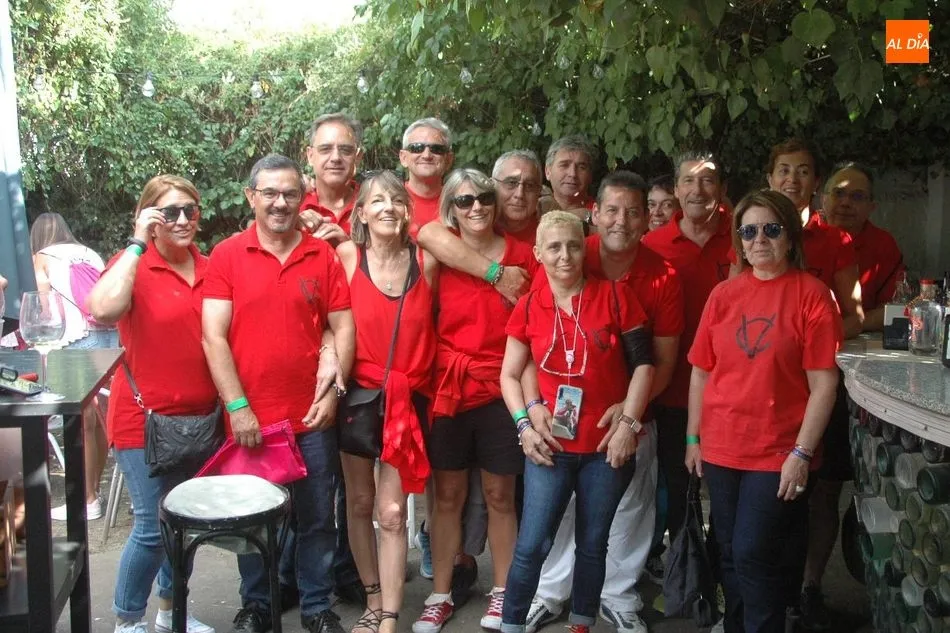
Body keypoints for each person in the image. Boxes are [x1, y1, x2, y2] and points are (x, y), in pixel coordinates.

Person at [525, 172, 683, 633]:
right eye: (612, 210)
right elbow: (533, 342)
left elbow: (662, 362)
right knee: (559, 508)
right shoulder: (570, 250)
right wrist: (532, 409)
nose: (621, 221)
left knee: (631, 506)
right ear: (594, 213)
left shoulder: (663, 275)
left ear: (646, 218)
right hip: (563, 412)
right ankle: (551, 591)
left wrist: (628, 415)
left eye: (633, 212)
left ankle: (618, 595)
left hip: (633, 414)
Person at [202, 154, 354, 633]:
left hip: (311, 417)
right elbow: (213, 336)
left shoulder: (321, 255)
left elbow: (342, 327)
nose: (280, 203)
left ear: (302, 197)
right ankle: (258, 605)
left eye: (290, 193)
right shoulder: (227, 255)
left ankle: (316, 606)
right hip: (252, 418)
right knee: (253, 521)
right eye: (269, 193)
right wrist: (238, 406)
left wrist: (333, 394)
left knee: (317, 518)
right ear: (252, 197)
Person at [685, 190, 842, 633]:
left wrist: (802, 453)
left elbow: (824, 384)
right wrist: (693, 438)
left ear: (790, 237)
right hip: (721, 447)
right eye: (749, 231)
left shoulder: (813, 296)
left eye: (771, 229)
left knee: (754, 552)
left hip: (779, 450)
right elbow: (701, 373)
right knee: (729, 551)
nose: (759, 240)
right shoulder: (723, 294)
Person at [499, 211, 656, 633]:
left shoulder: (615, 296)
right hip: (549, 445)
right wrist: (524, 425)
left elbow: (645, 365)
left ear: (585, 248)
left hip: (605, 445)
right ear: (538, 253)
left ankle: (581, 623)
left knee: (592, 543)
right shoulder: (530, 305)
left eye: (573, 245)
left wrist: (628, 424)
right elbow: (509, 374)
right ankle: (511, 624)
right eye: (553, 247)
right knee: (532, 545)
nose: (565, 255)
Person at [86, 175, 218, 633]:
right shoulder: (132, 264)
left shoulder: (210, 267)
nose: (181, 220)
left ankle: (171, 611)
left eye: (189, 210)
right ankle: (127, 619)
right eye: (169, 212)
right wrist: (137, 242)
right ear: (148, 217)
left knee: (183, 523)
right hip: (143, 421)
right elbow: (102, 310)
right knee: (151, 525)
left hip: (201, 421)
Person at [411, 169, 537, 633]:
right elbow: (424, 239)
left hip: (501, 386)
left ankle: (504, 592)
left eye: (484, 197)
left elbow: (535, 327)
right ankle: (440, 593)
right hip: (449, 387)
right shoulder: (440, 252)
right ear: (452, 208)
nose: (476, 206)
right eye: (464, 201)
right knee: (447, 496)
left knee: (501, 495)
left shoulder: (522, 255)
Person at [763, 140, 864, 629]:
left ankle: (809, 587)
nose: (792, 179)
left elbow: (856, 315)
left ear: (815, 183)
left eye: (803, 171)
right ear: (770, 177)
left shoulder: (836, 241)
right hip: (766, 387)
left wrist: (812, 333)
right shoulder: (753, 229)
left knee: (821, 491)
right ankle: (764, 592)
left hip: (821, 383)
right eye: (784, 170)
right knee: (765, 489)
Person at [335, 170, 438, 633]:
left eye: (396, 200)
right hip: (358, 396)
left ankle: (390, 618)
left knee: (392, 513)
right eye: (377, 201)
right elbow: (329, 320)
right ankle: (373, 600)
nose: (388, 208)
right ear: (361, 213)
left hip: (407, 400)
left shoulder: (426, 260)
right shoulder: (346, 257)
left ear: (407, 210)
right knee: (359, 502)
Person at [641, 151, 734, 587]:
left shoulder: (744, 237)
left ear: (722, 189)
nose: (698, 190)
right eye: (689, 181)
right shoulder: (652, 246)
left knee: (728, 494)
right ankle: (685, 578)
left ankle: (725, 576)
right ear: (676, 190)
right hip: (674, 389)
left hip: (734, 393)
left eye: (708, 180)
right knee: (678, 488)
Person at [30, 212, 118, 521]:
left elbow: (46, 310)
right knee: (103, 417)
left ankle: (86, 500)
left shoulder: (42, 256)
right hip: (108, 336)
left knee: (81, 420)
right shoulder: (88, 253)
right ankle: (93, 493)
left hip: (75, 340)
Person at [417, 149, 542, 306]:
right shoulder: (457, 233)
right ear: (493, 184)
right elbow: (427, 234)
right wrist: (496, 274)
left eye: (530, 185)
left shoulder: (545, 232)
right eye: (511, 183)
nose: (519, 194)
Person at [820, 162, 905, 332]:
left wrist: (849, 326)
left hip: (859, 339)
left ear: (871, 207)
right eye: (838, 193)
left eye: (857, 197)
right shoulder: (803, 235)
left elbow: (894, 308)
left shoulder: (882, 244)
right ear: (823, 199)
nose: (845, 203)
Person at [300, 112, 364, 245]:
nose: (336, 158)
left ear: (357, 157)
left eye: (345, 150)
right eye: (325, 149)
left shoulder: (373, 204)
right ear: (310, 156)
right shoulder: (293, 205)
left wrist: (349, 247)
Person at [400, 117, 454, 239]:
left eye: (436, 149)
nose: (426, 155)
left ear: (449, 159)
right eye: (417, 148)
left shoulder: (465, 202)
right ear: (403, 158)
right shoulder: (389, 201)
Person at [539, 136, 596, 217]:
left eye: (581, 167)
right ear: (548, 172)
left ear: (590, 175)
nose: (573, 174)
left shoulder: (602, 214)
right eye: (564, 165)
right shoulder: (531, 208)